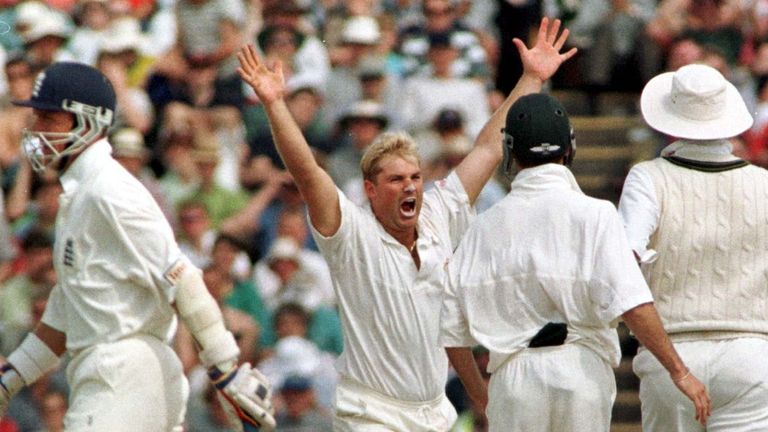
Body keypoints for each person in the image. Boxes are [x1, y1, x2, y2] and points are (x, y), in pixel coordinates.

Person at [237, 17, 577, 431]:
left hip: (433, 412)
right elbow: (307, 170)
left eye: (415, 177)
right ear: (371, 190)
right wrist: (274, 104)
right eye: (396, 180)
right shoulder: (350, 234)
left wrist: (530, 79)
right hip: (370, 413)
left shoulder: (438, 214)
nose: (409, 187)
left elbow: (489, 147)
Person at [0, 62, 275, 431]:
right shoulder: (79, 197)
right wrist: (12, 377)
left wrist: (225, 368)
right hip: (114, 372)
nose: (36, 130)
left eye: (49, 119)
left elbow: (180, 276)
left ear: (87, 122)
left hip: (124, 372)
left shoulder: (110, 190)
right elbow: (69, 311)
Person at [439, 92, 711, 431]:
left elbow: (450, 325)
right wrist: (679, 372)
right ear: (570, 147)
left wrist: (482, 397)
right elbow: (633, 304)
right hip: (581, 371)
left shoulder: (483, 226)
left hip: (515, 376)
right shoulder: (596, 215)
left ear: (510, 150)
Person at [618, 63, 768, 431]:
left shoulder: (648, 177)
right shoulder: (763, 183)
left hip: (672, 351)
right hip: (751, 354)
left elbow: (622, 263)